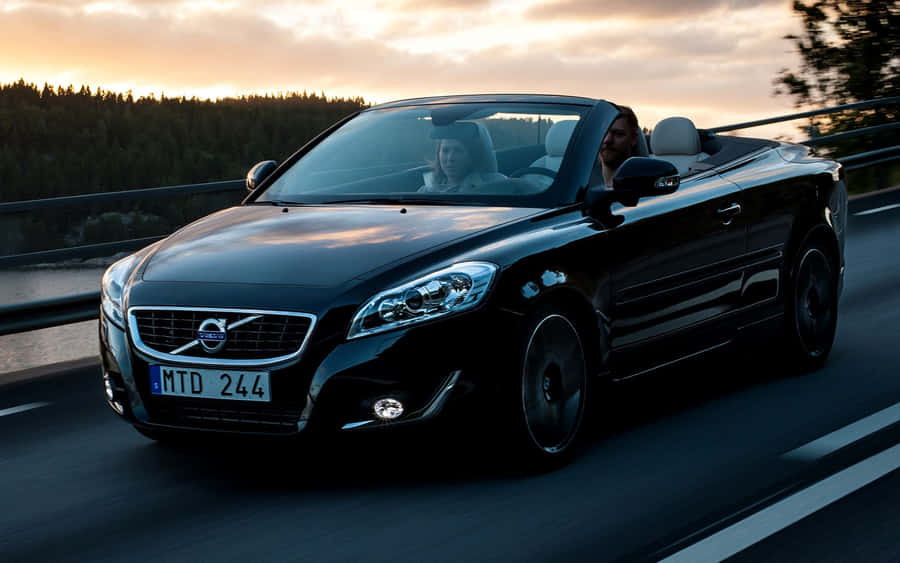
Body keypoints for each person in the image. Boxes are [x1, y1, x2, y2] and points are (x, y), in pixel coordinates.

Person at [419, 122, 506, 193]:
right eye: (445, 151)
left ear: (471, 155)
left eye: (458, 151)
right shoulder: (426, 191)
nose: (450, 158)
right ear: (438, 154)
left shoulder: (495, 185)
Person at [593, 105, 640, 187]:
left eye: (618, 134)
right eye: (604, 132)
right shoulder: (578, 181)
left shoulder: (643, 187)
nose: (607, 140)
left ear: (634, 139)